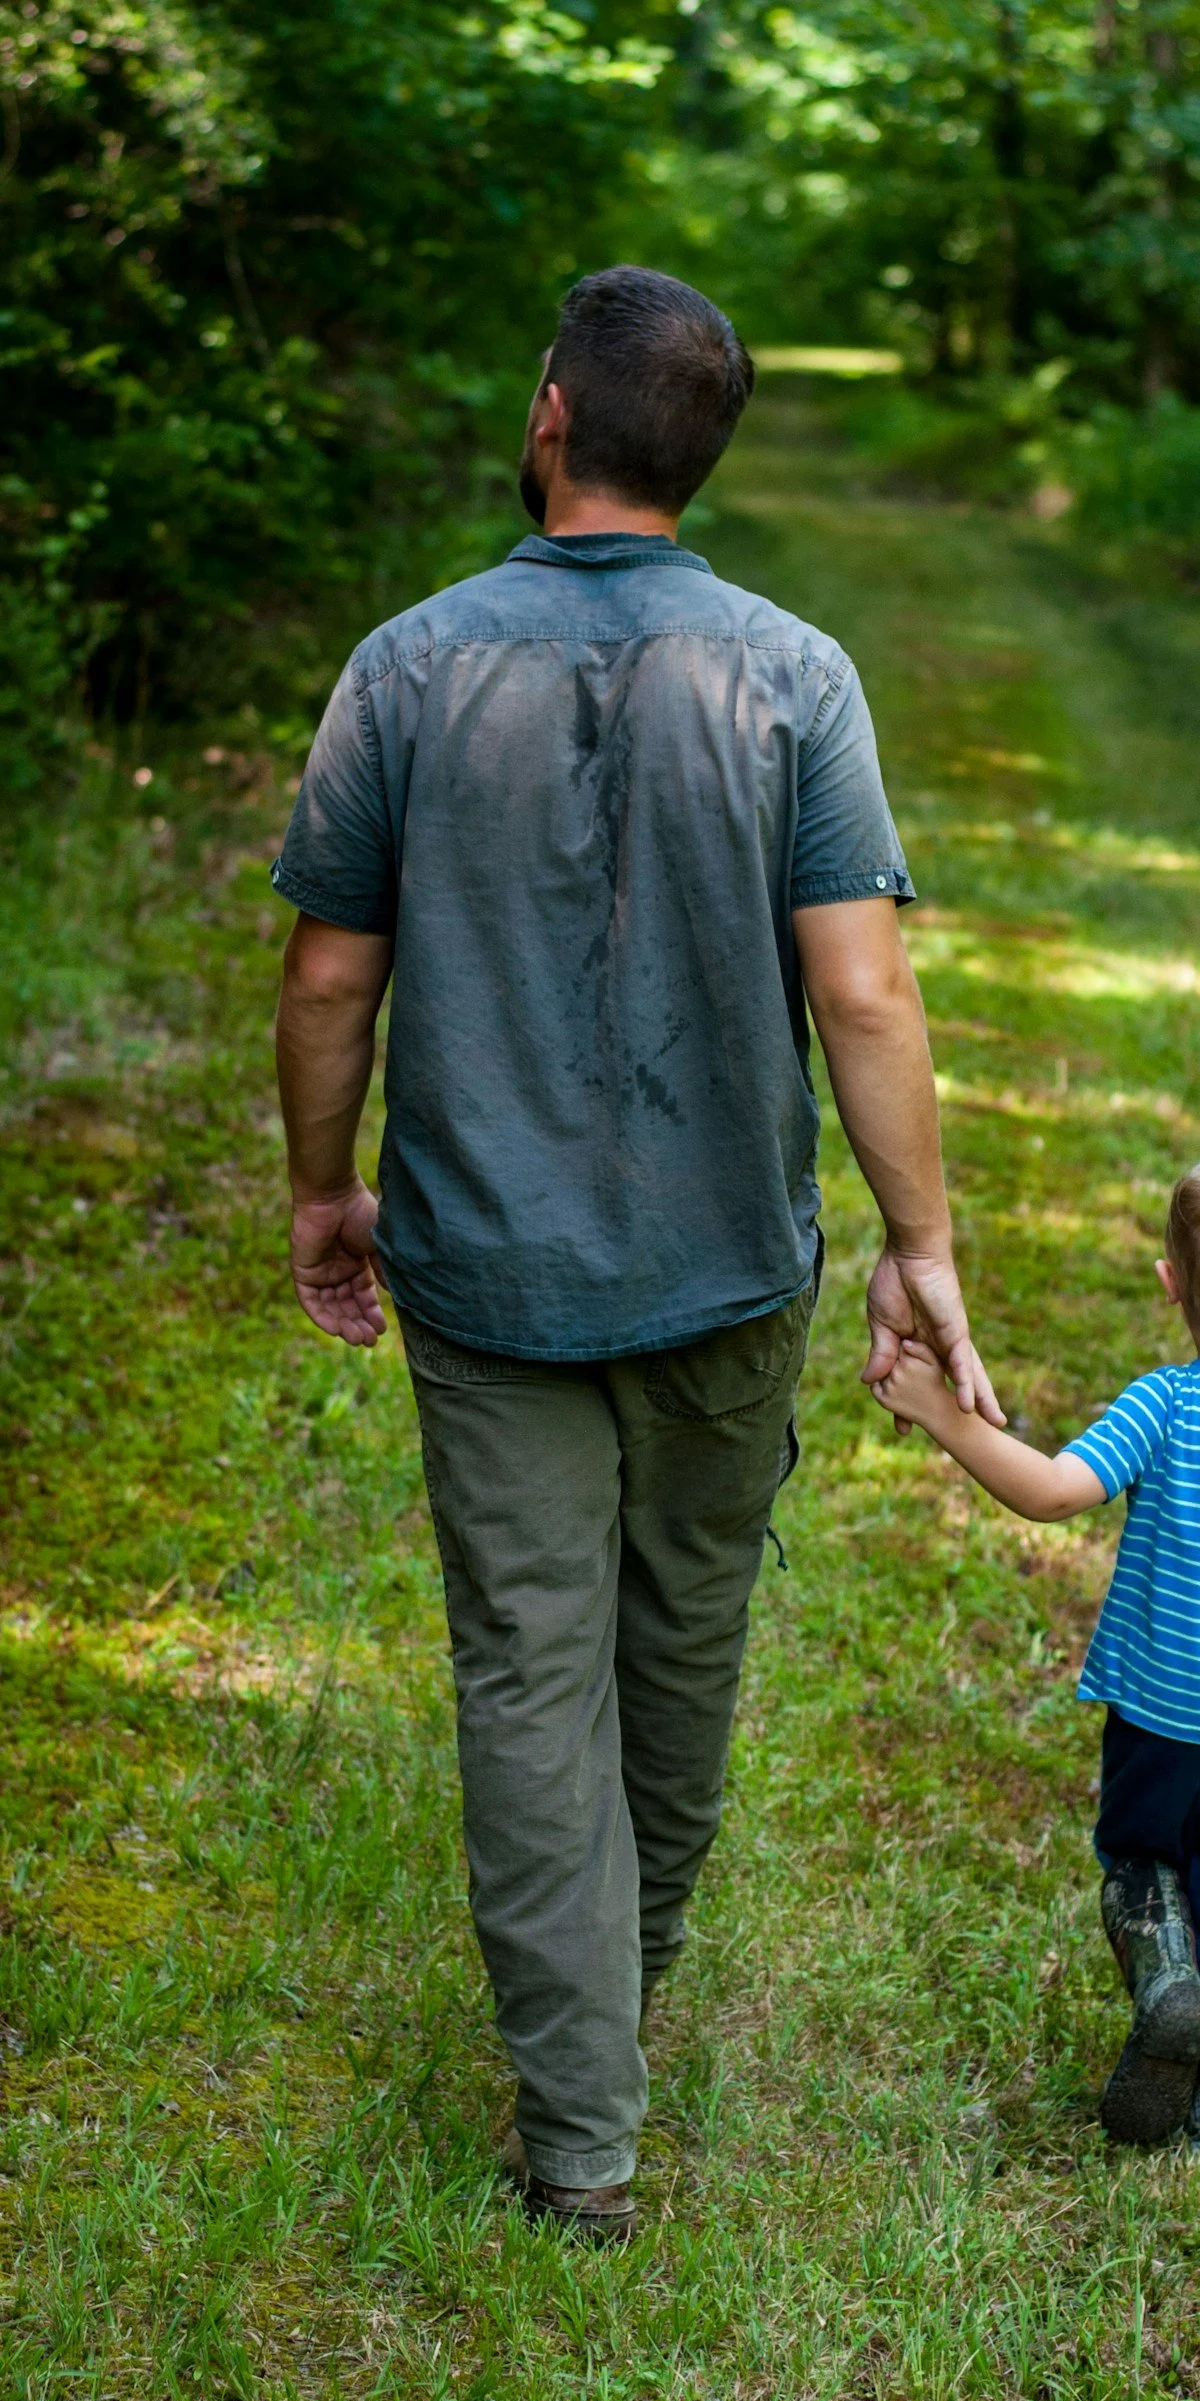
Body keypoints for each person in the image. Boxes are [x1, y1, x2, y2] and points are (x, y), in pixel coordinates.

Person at [271, 265, 1001, 2242]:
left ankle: (579, 2128)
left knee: (528, 1666)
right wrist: (917, 1242)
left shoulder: (407, 667)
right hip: (724, 1271)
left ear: (546, 416)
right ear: (702, 453)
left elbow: (335, 970)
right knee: (682, 1633)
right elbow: (862, 996)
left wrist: (321, 1184)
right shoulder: (792, 674)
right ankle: (617, 1994)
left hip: (486, 1274)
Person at [871, 1145, 1200, 2187]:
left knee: (1139, 1872)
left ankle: (1161, 1968)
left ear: (1170, 1284)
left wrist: (943, 1415)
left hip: (1162, 1724)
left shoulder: (1163, 1404)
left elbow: (1054, 1492)